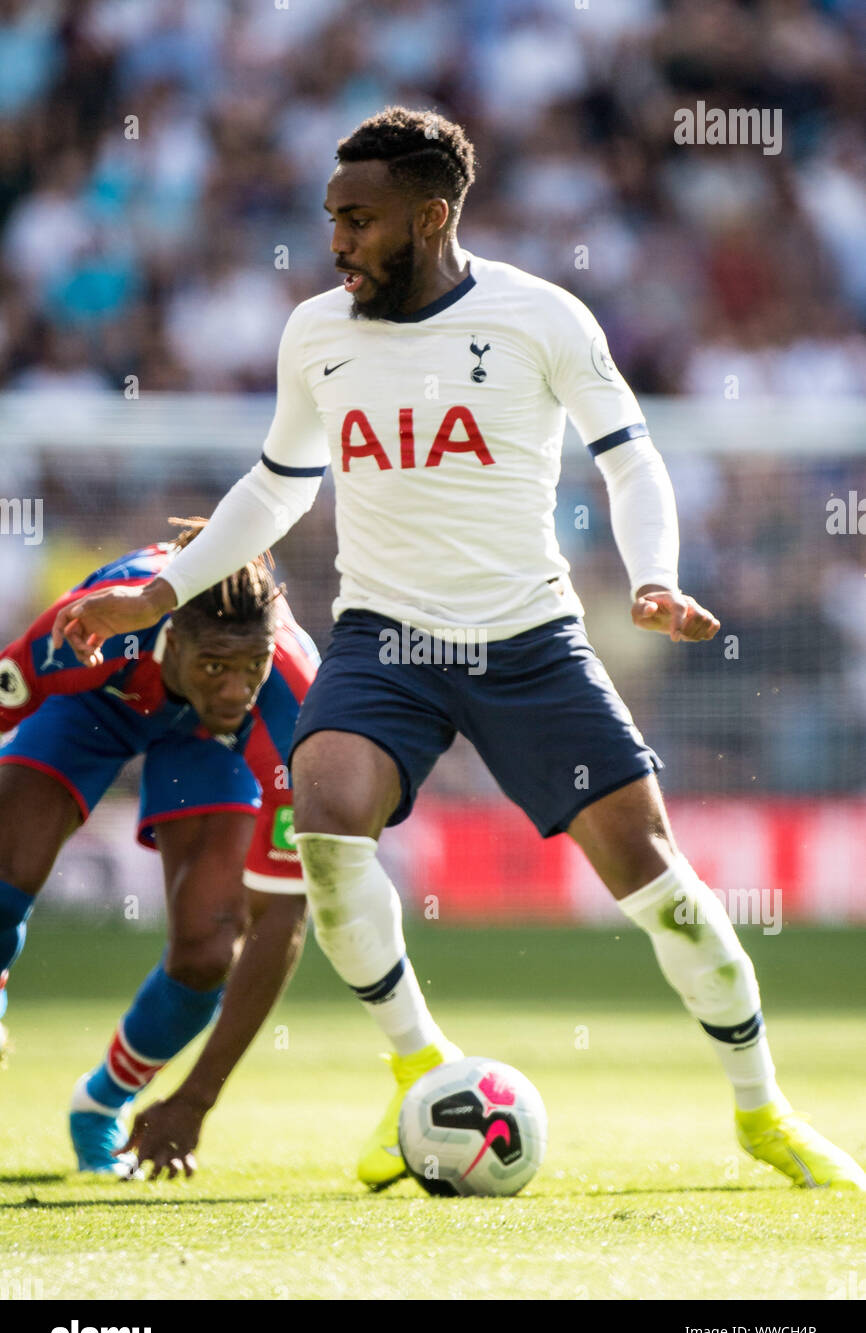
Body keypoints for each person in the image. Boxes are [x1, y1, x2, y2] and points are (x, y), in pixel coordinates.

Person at [54, 107, 865, 1192]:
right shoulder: (317, 335)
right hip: (383, 639)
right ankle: (419, 1069)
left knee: (653, 876)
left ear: (430, 215)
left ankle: (762, 1111)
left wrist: (654, 576)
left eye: (359, 219)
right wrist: (156, 592)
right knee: (327, 810)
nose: (334, 239)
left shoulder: (540, 317)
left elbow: (628, 459)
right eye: (330, 216)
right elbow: (275, 487)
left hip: (527, 638)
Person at [0, 519, 318, 1177]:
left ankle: (100, 1104)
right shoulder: (92, 624)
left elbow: (285, 916)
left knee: (209, 949)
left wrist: (197, 1099)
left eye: (250, 666)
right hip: (98, 700)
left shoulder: (289, 697)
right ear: (171, 635)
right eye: (214, 665)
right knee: (7, 871)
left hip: (209, 743)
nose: (235, 687)